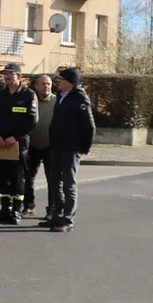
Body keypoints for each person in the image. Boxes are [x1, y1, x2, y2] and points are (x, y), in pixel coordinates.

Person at [0, 63, 38, 225]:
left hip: (18, 144)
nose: (7, 76)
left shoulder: (28, 95)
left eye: (11, 73)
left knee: (18, 177)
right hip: (0, 143)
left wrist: (14, 137)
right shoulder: (0, 96)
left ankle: (16, 209)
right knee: (1, 175)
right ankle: (5, 209)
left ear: (19, 77)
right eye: (5, 73)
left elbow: (32, 120)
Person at [44, 68, 95, 233]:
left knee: (69, 183)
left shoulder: (80, 99)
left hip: (71, 148)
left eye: (62, 79)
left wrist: (85, 147)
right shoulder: (60, 96)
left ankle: (67, 218)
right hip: (57, 146)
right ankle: (56, 215)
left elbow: (89, 126)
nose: (59, 81)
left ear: (70, 83)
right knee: (54, 181)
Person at [23, 74, 56, 218]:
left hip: (50, 146)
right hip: (32, 146)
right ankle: (29, 206)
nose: (46, 86)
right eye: (43, 84)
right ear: (36, 86)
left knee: (52, 179)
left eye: (48, 84)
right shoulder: (30, 100)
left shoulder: (57, 101)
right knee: (28, 178)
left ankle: (52, 209)